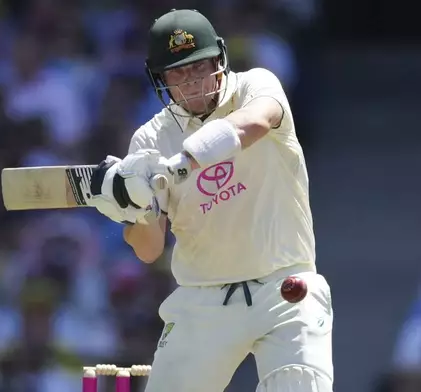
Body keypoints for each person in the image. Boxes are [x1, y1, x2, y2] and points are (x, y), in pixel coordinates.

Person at [88, 8, 333, 392]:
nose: (193, 81)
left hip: (284, 286)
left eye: (200, 67)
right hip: (203, 298)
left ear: (220, 59)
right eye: (179, 72)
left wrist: (184, 163)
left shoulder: (256, 85)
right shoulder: (149, 142)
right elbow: (149, 250)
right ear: (161, 80)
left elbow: (254, 123)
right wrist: (133, 209)